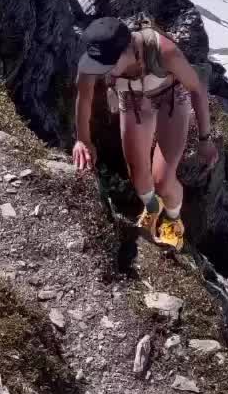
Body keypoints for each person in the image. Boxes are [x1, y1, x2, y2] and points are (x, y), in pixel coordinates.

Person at [73, 16, 218, 251]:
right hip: (132, 99)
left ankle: (173, 221)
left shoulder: (164, 51)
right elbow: (84, 96)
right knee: (138, 174)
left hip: (171, 98)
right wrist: (82, 140)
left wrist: (205, 139)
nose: (100, 71)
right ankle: (152, 209)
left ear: (128, 48)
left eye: (107, 64)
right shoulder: (96, 59)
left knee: (162, 179)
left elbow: (196, 88)